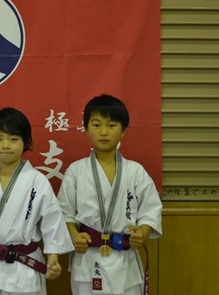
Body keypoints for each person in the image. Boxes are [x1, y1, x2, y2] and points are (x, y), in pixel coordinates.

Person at [57, 94, 162, 295]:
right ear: (86, 129)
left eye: (112, 125)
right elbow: (64, 211)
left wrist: (143, 233)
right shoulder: (76, 171)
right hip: (88, 258)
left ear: (123, 131)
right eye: (96, 125)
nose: (104, 132)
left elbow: (150, 210)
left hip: (125, 260)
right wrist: (74, 235)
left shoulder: (135, 171)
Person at [0, 107, 74, 295]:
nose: (5, 145)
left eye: (13, 139)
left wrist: (53, 258)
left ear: (26, 142)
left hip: (23, 267)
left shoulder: (37, 181)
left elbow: (52, 222)